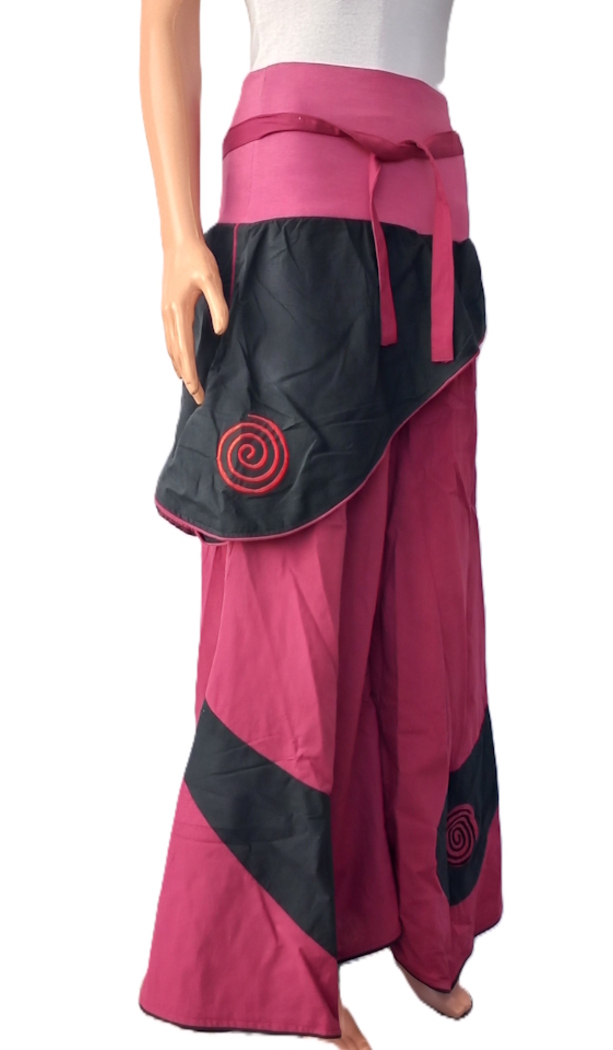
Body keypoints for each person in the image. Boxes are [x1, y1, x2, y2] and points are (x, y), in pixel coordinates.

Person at [137, 2, 503, 1046]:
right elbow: (167, 13)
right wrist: (177, 235)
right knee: (287, 603)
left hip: (431, 204)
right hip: (292, 196)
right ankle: (272, 968)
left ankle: (422, 912)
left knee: (428, 594)